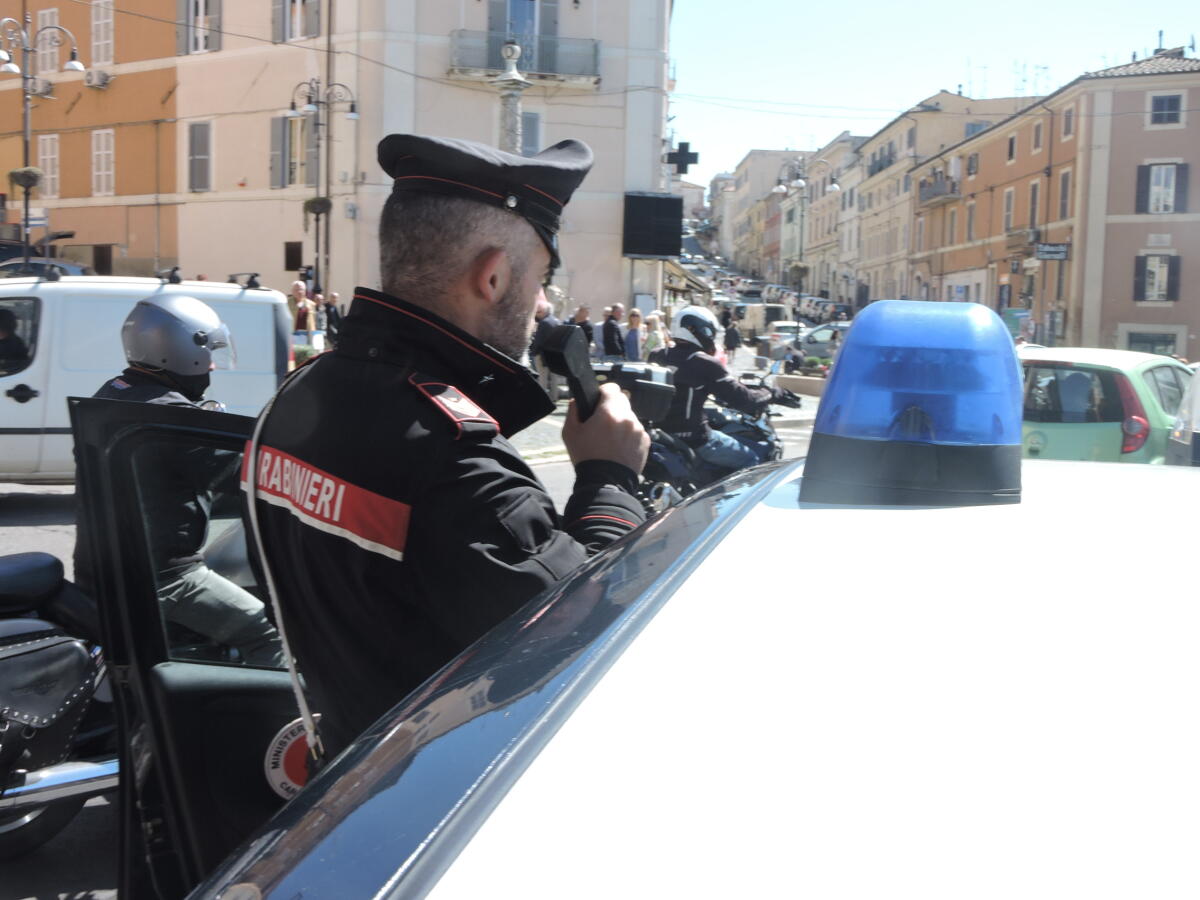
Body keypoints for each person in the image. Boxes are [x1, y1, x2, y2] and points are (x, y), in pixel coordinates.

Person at [245, 133, 649, 758]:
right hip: (429, 798)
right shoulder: (453, 456)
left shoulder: (296, 396)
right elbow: (585, 632)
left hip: (341, 765)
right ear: (492, 276)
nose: (544, 305)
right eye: (543, 280)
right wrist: (609, 474)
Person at [74, 296, 284, 667]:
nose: (213, 365)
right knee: (270, 632)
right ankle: (272, 722)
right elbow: (248, 475)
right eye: (208, 354)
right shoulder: (171, 416)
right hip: (165, 579)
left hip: (103, 571)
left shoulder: (115, 393)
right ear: (181, 351)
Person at [660, 305, 796, 471]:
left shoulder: (659, 354)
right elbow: (746, 400)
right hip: (695, 438)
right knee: (751, 459)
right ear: (700, 331)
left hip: (662, 434)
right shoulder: (704, 363)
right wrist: (773, 393)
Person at [528, 289, 563, 399]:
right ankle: (554, 397)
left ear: (544, 311)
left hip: (542, 355)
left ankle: (542, 398)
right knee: (554, 378)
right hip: (555, 354)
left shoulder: (544, 323)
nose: (537, 314)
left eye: (539, 311)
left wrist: (533, 352)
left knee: (542, 378)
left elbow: (539, 340)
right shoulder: (557, 321)